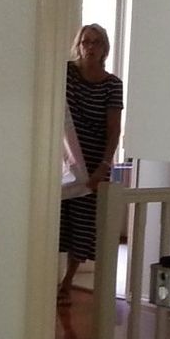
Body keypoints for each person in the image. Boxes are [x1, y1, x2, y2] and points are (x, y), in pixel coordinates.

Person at [58, 23, 124, 300]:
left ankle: (67, 282)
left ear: (105, 48)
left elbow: (113, 130)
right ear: (79, 44)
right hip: (62, 160)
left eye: (96, 42)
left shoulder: (113, 84)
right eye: (86, 41)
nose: (90, 47)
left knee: (84, 226)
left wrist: (104, 166)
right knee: (56, 220)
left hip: (94, 162)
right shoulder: (66, 73)